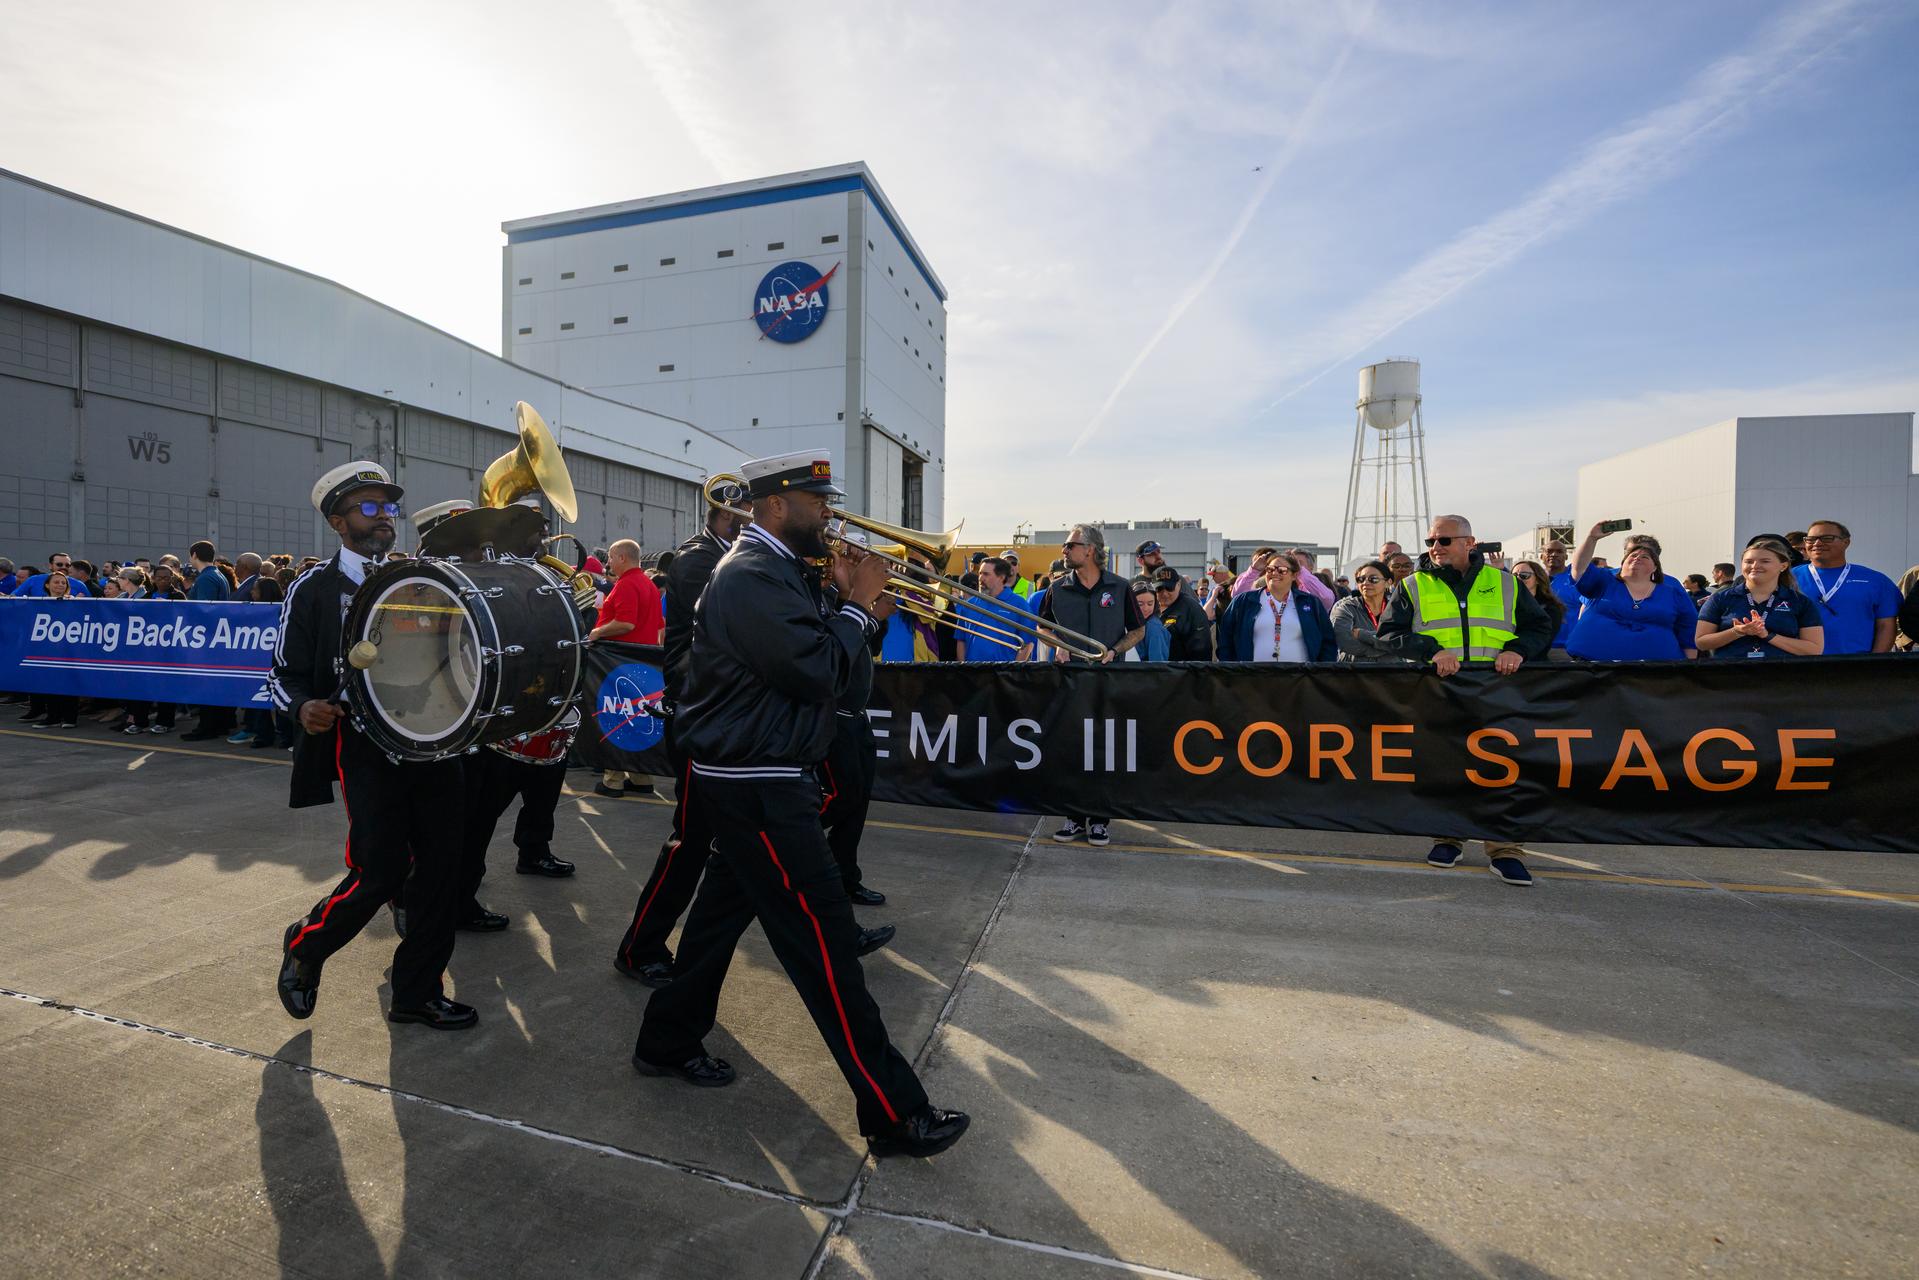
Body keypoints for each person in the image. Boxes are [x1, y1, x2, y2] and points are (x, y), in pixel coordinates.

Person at [632, 450, 968, 1159]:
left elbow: (842, 685)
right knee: (825, 950)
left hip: (759, 777)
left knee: (716, 924)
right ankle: (893, 1112)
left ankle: (665, 1039)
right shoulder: (752, 575)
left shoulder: (779, 571)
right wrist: (851, 606)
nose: (829, 515)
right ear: (775, 506)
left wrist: (854, 606)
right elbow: (819, 672)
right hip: (759, 784)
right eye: (818, 503)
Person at [270, 461, 476, 1031]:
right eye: (369, 507)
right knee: (381, 871)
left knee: (440, 875)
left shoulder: (422, 577)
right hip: (364, 746)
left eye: (389, 508)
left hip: (436, 741)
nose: (385, 517)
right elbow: (280, 674)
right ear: (338, 521)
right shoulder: (313, 588)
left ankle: (416, 992)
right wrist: (301, 707)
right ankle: (308, 945)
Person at [1375, 515, 1554, 886]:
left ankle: (1505, 849)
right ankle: (1448, 837)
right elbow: (1390, 634)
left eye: (1443, 540)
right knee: (1446, 765)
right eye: (1430, 542)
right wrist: (1432, 651)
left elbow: (1540, 627)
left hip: (1498, 692)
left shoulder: (1504, 582)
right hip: (1442, 693)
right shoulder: (1412, 585)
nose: (1434, 548)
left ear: (1469, 542)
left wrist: (1518, 651)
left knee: (1503, 770)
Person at [615, 486, 747, 985]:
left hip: (727, 722)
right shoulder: (699, 559)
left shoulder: (732, 555)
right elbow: (722, 631)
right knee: (690, 843)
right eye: (745, 516)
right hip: (701, 718)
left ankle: (834, 932)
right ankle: (639, 946)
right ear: (726, 516)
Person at [1040, 524, 1144, 847]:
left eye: (1070, 545)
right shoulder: (1057, 589)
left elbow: (1138, 630)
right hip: (1070, 682)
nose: (1064, 550)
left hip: (1108, 683)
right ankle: (1073, 818)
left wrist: (1115, 650)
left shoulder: (1120, 586)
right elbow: (1042, 627)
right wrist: (1056, 642)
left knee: (1103, 752)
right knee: (1072, 751)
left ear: (1090, 549)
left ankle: (1099, 821)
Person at [590, 538, 665, 798]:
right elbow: (659, 626)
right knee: (636, 720)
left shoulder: (626, 584)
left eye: (611, 558)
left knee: (616, 719)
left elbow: (626, 623)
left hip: (619, 663)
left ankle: (613, 780)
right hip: (642, 662)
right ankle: (641, 777)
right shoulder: (649, 584)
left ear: (622, 558)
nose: (608, 563)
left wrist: (596, 632)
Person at [1565, 525, 1698, 661]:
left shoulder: (1672, 589)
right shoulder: (1603, 579)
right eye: (1632, 553)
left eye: (1646, 555)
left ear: (1656, 565)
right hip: (1593, 666)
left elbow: (1688, 625)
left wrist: (1689, 663)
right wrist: (1591, 538)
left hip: (1656, 670)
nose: (1637, 557)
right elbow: (1579, 569)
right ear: (1623, 560)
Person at [1696, 536, 1823, 659]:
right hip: (1730, 676)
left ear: (1783, 566)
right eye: (1749, 561)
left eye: (1765, 561)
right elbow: (1701, 642)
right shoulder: (1720, 598)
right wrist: (1737, 632)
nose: (1755, 566)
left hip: (1783, 677)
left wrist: (1768, 636)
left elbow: (1813, 649)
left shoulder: (1799, 602)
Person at [1790, 519, 1901, 655]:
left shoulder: (1875, 581)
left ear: (1846, 542)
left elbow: (1886, 625)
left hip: (1856, 665)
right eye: (1811, 539)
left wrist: (1873, 664)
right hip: (1798, 664)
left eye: (1827, 538)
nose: (1817, 543)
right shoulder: (1786, 579)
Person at [1218, 553, 1336, 662]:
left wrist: (1320, 674)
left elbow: (1328, 641)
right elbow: (1225, 639)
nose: (1275, 573)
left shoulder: (1310, 602)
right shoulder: (1245, 600)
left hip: (1300, 679)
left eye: (1282, 570)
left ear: (1294, 575)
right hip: (1252, 678)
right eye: (1270, 569)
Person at [233, 576, 286, 748]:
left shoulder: (282, 610)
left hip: (275, 661)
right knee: (259, 701)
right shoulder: (251, 610)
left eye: (255, 589)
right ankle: (263, 734)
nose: (251, 591)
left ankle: (284, 735)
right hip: (256, 663)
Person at [24, 572, 82, 728]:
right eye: (56, 582)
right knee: (50, 683)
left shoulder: (74, 603)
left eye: (64, 583)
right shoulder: (38, 603)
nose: (60, 585)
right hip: (46, 651)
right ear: (47, 585)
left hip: (67, 650)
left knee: (68, 683)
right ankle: (53, 717)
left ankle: (70, 718)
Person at [957, 556, 1034, 662]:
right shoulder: (969, 605)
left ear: (1001, 577)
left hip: (1003, 674)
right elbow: (961, 641)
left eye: (986, 574)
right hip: (972, 674)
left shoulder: (1019, 604)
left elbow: (1027, 643)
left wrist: (1013, 671)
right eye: (980, 573)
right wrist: (963, 669)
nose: (980, 578)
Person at [1331, 560, 1408, 663]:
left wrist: (1362, 634)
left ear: (1388, 582)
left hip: (1394, 672)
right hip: (1354, 674)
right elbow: (1344, 641)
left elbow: (1404, 641)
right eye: (1361, 579)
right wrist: (1381, 649)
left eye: (1373, 579)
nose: (1365, 583)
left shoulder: (1399, 608)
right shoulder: (1345, 607)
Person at [1151, 565, 1214, 659]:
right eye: (1159, 589)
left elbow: (1201, 652)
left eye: (1169, 588)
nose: (1164, 593)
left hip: (1181, 671)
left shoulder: (1192, 610)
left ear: (1179, 585)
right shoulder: (1147, 606)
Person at [1509, 560, 1567, 653]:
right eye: (1514, 576)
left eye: (1524, 575)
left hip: (1531, 662)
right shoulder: (1505, 603)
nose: (1518, 579)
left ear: (1537, 579)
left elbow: (1542, 640)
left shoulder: (1551, 609)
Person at [1540, 539, 1579, 658]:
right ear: (1542, 556)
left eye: (1559, 551)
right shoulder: (1533, 578)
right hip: (1537, 646)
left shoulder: (1577, 579)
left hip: (1567, 648)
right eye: (1549, 551)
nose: (1554, 554)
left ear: (1566, 556)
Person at [10, 551, 90, 597]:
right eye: (59, 564)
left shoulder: (79, 585)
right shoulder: (34, 580)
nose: (64, 567)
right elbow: (14, 598)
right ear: (50, 566)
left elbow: (92, 607)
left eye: (67, 565)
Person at [1127, 579, 1171, 661]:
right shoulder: (1130, 622)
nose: (1146, 608)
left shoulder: (1154, 627)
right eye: (1140, 604)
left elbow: (1157, 664)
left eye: (1150, 603)